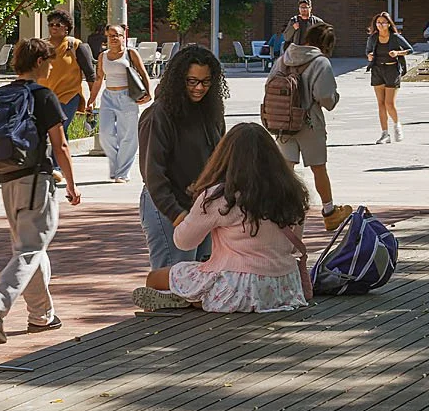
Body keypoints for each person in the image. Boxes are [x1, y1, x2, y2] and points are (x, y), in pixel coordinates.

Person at [132, 125, 312, 315]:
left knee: (155, 278)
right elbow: (292, 246)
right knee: (208, 277)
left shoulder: (221, 197)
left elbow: (183, 242)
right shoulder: (292, 193)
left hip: (239, 287)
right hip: (284, 287)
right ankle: (192, 299)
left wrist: (184, 217)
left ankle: (160, 317)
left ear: (226, 157)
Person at [0, 37, 83, 342]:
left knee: (29, 248)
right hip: (37, 181)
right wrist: (72, 185)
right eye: (49, 61)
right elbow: (60, 144)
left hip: (8, 178)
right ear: (39, 62)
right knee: (31, 249)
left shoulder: (1, 94)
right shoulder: (43, 95)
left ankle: (41, 316)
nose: (51, 67)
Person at [140, 43, 225, 270]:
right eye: (192, 81)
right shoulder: (158, 115)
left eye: (206, 82)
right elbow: (153, 175)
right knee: (173, 280)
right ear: (179, 80)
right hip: (168, 207)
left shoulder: (211, 112)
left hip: (203, 208)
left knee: (200, 281)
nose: (199, 88)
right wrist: (179, 217)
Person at [267, 18, 341, 222]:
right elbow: (326, 98)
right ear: (327, 45)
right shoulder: (320, 62)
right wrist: (335, 98)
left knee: (285, 168)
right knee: (318, 167)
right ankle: (329, 212)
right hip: (309, 122)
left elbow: (270, 83)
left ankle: (279, 211)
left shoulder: (283, 58)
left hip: (283, 121)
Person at [94, 22, 148, 183]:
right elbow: (98, 78)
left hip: (127, 96)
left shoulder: (130, 53)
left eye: (118, 35)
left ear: (124, 37)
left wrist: (148, 93)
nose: (115, 38)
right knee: (105, 134)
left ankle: (122, 173)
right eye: (111, 35)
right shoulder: (103, 56)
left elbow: (143, 73)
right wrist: (91, 99)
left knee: (128, 136)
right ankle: (117, 165)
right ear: (107, 37)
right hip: (108, 96)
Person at [41, 8, 98, 142]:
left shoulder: (75, 46)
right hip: (45, 96)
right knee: (47, 132)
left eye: (58, 24)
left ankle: (59, 161)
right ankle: (56, 160)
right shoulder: (42, 46)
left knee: (59, 128)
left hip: (68, 96)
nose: (53, 27)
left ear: (66, 28)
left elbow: (90, 74)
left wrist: (92, 98)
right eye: (51, 24)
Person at [364, 11, 412, 143]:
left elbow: (410, 49)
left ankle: (397, 125)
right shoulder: (373, 38)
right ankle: (385, 134)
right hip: (377, 70)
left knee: (389, 103)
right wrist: (369, 55)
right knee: (380, 104)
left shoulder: (395, 37)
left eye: (383, 23)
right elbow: (368, 51)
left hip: (392, 70)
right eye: (378, 23)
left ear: (389, 24)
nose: (380, 25)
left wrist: (397, 52)